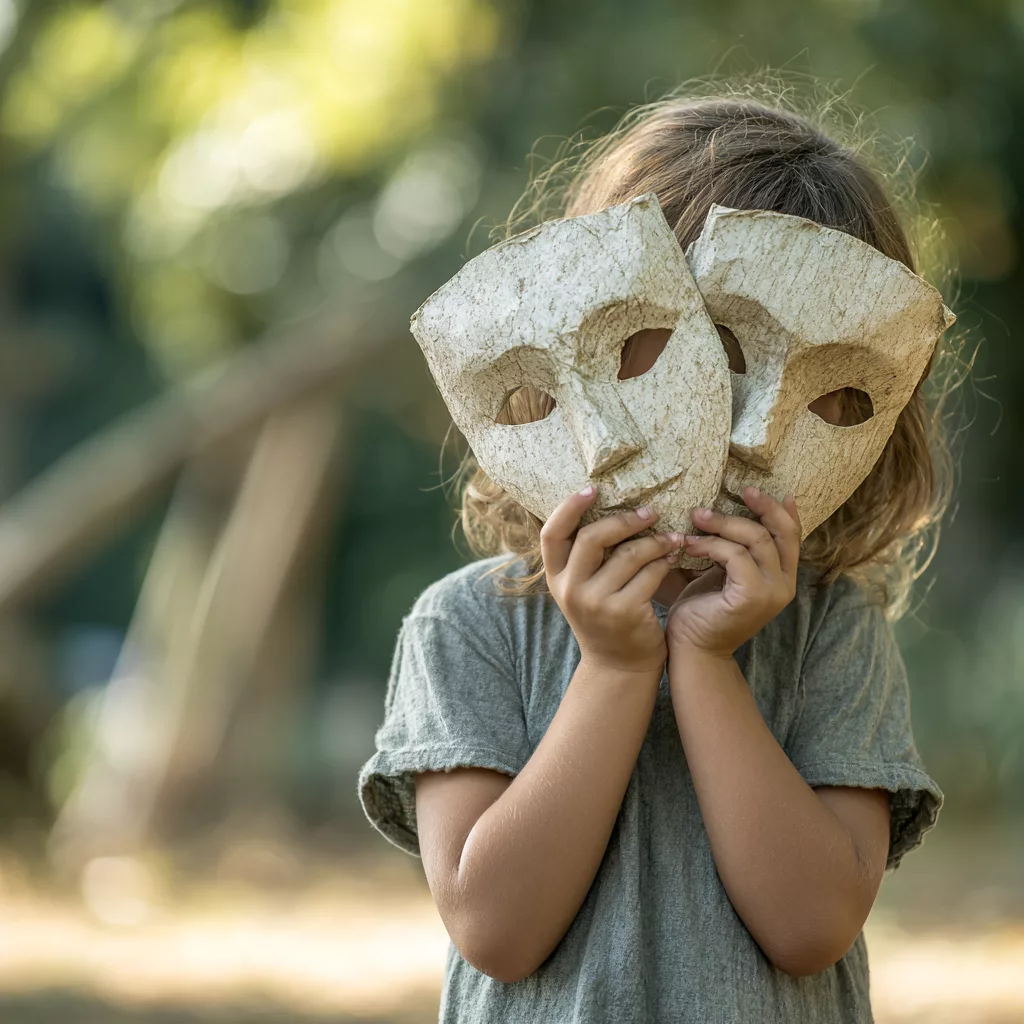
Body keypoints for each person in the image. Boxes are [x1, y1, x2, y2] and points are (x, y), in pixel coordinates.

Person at [357, 89, 950, 1023]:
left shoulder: (831, 631)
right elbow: (496, 929)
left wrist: (706, 663)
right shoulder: (471, 626)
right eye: (717, 348)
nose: (752, 429)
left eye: (824, 381)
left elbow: (811, 926)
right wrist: (615, 668)